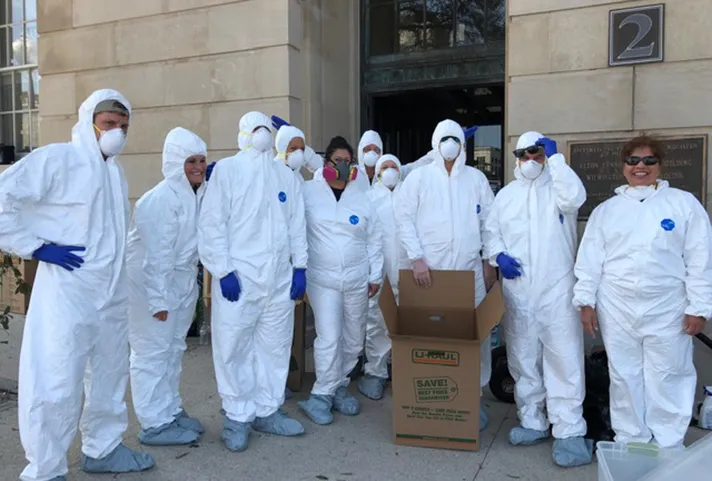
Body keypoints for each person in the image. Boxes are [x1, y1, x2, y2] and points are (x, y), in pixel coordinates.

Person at [0, 90, 155, 481]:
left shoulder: (115, 174)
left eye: (123, 126)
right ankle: (46, 468)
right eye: (108, 124)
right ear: (89, 122)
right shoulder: (60, 159)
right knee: (56, 378)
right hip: (67, 292)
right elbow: (4, 199)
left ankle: (102, 448)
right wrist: (36, 247)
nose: (116, 133)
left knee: (110, 374)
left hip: (109, 294)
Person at [573, 135, 712, 450]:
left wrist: (699, 307)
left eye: (649, 160)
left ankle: (668, 445)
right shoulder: (607, 211)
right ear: (623, 166)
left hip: (668, 309)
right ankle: (631, 441)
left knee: (669, 375)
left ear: (660, 165)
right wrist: (586, 302)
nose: (640, 167)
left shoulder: (683, 204)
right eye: (633, 160)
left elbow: (701, 258)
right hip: (617, 309)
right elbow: (590, 261)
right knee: (624, 377)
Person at [198, 111, 308, 452]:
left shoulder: (284, 175)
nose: (261, 134)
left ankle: (267, 409)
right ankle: (236, 415)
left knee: (274, 347)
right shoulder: (228, 172)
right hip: (240, 279)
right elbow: (212, 223)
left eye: (266, 128)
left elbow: (296, 223)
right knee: (233, 347)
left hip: (277, 280)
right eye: (255, 128)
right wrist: (222, 270)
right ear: (243, 135)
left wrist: (300, 266)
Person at [483, 131, 591, 467]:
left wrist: (557, 161)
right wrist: (498, 256)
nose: (531, 160)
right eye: (524, 154)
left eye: (537, 153)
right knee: (522, 357)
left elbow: (576, 198)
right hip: (519, 292)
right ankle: (532, 420)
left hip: (557, 288)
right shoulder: (507, 196)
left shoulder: (558, 189)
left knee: (564, 359)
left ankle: (570, 431)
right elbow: (491, 233)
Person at [394, 119, 496, 430]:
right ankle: (432, 401)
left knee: (473, 337)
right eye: (445, 139)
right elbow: (403, 218)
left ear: (462, 145)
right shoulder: (419, 178)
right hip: (431, 274)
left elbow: (490, 222)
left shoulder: (476, 179)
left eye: (455, 139)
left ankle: (471, 398)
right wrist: (417, 259)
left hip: (469, 273)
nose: (450, 145)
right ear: (436, 143)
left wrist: (489, 260)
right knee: (430, 338)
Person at [127, 127, 208, 446]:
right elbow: (157, 258)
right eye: (191, 161)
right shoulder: (159, 200)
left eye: (202, 160)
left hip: (179, 281)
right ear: (175, 163)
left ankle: (169, 409)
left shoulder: (193, 194)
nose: (199, 166)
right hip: (151, 286)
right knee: (152, 352)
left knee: (173, 349)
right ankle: (153, 422)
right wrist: (158, 301)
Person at [297, 136, 384, 425]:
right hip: (322, 280)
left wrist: (375, 276)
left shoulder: (362, 197)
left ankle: (339, 386)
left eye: (349, 161)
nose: (344, 166)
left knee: (353, 340)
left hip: (357, 279)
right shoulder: (308, 192)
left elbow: (375, 240)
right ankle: (320, 393)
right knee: (330, 337)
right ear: (326, 163)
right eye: (339, 161)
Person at [358, 154, 408, 400]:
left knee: (405, 323)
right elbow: (368, 239)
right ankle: (375, 373)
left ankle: (403, 371)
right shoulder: (369, 198)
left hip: (407, 273)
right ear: (377, 172)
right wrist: (372, 273)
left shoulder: (409, 195)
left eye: (394, 167)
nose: (390, 171)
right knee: (377, 323)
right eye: (385, 167)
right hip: (379, 274)